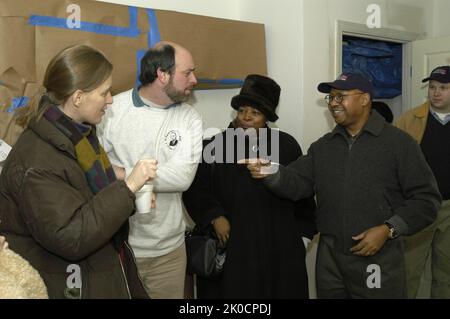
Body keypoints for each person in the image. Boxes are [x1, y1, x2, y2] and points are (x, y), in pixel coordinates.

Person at [242, 73, 441, 298]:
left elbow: (426, 199)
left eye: (340, 96)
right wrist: (270, 172)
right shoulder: (324, 147)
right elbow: (298, 182)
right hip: (330, 258)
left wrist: (388, 229)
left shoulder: (399, 144)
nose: (333, 103)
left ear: (364, 99)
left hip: (377, 258)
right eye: (331, 98)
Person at [0, 44, 157, 299]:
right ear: (78, 97)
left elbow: (83, 192)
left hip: (99, 272)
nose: (110, 100)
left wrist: (123, 191)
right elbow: (72, 236)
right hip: (70, 284)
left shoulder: (78, 135)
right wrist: (127, 189)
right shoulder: (36, 161)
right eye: (105, 92)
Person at [183, 74, 316, 299]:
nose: (246, 117)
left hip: (279, 251)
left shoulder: (286, 145)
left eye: (255, 113)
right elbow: (195, 188)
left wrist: (302, 238)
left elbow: (302, 190)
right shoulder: (215, 145)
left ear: (267, 118)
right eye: (242, 110)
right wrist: (215, 216)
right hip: (233, 248)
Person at [97, 41, 203, 299]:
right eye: (187, 73)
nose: (195, 79)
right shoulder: (112, 110)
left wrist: (124, 174)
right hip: (117, 247)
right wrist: (124, 175)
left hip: (168, 252)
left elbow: (183, 177)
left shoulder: (190, 118)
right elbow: (95, 170)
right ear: (162, 75)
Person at [395, 66, 450, 298]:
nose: (436, 93)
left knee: (445, 273)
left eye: (444, 88)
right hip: (419, 206)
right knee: (409, 271)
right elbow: (391, 160)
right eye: (432, 87)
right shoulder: (410, 119)